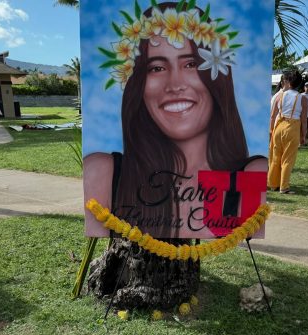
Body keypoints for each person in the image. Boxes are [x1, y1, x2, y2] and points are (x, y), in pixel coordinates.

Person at [84, 2, 267, 239]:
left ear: (217, 76)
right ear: (138, 84)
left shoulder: (249, 177)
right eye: (156, 68)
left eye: (191, 64)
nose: (174, 85)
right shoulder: (103, 175)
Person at [267, 70, 308, 194]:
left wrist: (271, 130)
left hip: (279, 126)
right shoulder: (303, 98)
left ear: (289, 82)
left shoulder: (280, 95)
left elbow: (273, 116)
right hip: (292, 127)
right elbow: (304, 119)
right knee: (288, 159)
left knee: (276, 156)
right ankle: (284, 186)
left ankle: (273, 184)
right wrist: (303, 135)